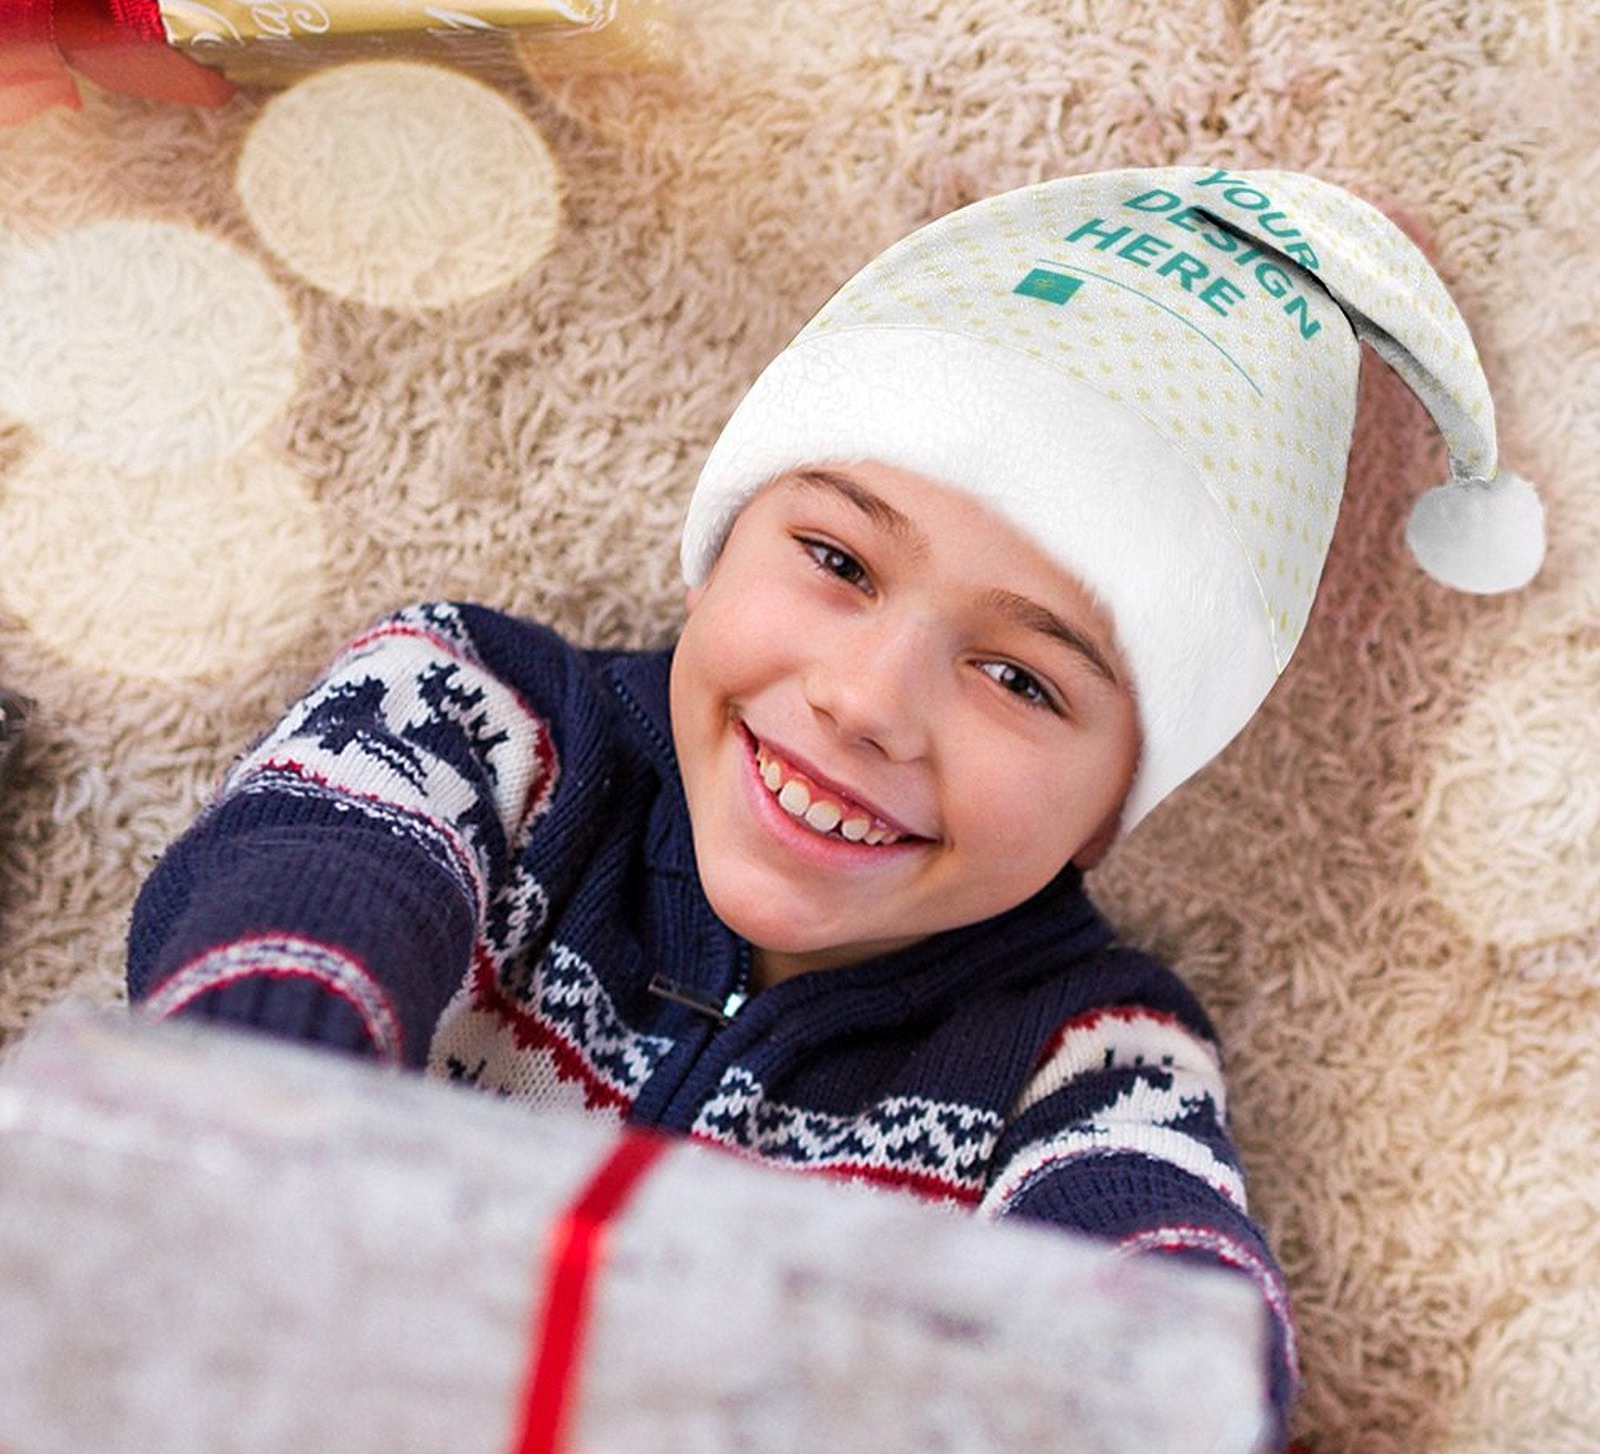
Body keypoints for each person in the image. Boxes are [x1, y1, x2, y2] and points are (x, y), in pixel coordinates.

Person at [124, 167, 1545, 1448]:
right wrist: (256, 1084)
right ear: (717, 549)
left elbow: (1174, 1301)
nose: (868, 701)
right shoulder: (475, 712)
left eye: (1019, 678)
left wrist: (1148, 1384)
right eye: (839, 561)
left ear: (1114, 803)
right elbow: (315, 878)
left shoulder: (1087, 1048)